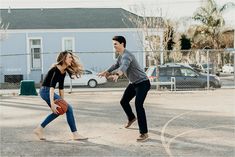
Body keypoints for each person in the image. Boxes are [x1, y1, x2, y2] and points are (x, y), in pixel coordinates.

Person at [98, 36, 151, 142]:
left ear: (122, 44)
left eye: (115, 44)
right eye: (113, 44)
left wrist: (117, 74)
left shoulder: (127, 55)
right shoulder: (121, 55)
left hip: (143, 83)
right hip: (133, 83)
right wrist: (106, 71)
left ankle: (144, 133)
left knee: (138, 105)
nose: (114, 46)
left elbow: (124, 66)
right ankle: (131, 118)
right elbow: (117, 64)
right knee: (123, 101)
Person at [33, 51, 88, 141]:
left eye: (71, 57)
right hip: (46, 91)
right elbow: (52, 88)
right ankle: (75, 134)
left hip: (46, 91)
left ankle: (39, 129)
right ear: (64, 59)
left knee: (59, 110)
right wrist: (53, 103)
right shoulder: (56, 70)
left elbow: (61, 88)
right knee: (69, 109)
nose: (71, 59)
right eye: (69, 57)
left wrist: (63, 102)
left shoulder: (63, 70)